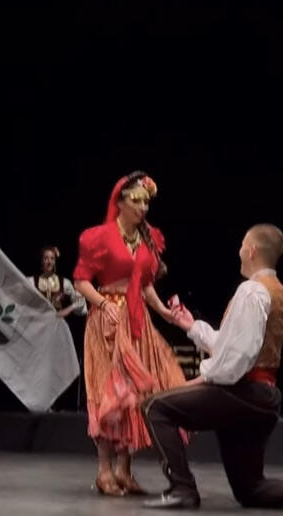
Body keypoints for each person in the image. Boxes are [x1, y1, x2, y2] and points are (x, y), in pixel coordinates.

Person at [141, 224, 283, 516]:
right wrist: (191, 326)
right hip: (262, 398)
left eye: (241, 246)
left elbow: (235, 362)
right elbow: (235, 346)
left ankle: (182, 489)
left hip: (242, 393)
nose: (239, 251)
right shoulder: (279, 293)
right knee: (250, 489)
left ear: (250, 251)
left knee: (154, 407)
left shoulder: (251, 291)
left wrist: (201, 380)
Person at [73, 171, 187, 497]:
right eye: (136, 200)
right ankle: (104, 471)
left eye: (146, 202)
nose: (143, 207)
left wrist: (164, 312)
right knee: (110, 393)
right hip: (108, 320)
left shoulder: (149, 238)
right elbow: (81, 280)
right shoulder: (99, 237)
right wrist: (102, 303)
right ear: (120, 202)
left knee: (135, 397)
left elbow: (146, 285)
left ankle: (124, 470)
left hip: (137, 321)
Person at [30, 246, 87, 318]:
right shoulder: (32, 281)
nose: (49, 262)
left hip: (56, 322)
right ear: (42, 261)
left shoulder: (65, 283)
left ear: (55, 261)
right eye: (46, 258)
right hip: (38, 321)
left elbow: (81, 310)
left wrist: (78, 301)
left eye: (52, 258)